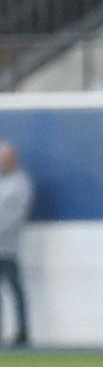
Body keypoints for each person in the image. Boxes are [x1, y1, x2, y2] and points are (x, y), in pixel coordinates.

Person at [0, 142, 28, 347]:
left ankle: (22, 332)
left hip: (8, 248)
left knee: (15, 289)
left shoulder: (20, 184)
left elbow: (12, 217)